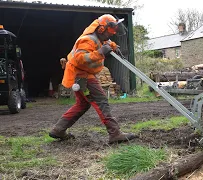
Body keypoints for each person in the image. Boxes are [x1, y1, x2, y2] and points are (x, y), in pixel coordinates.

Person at [49, 14, 138, 144]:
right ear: (101, 29)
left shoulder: (100, 38)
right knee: (101, 101)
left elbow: (107, 42)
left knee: (82, 105)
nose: (113, 33)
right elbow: (80, 58)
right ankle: (115, 133)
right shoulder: (87, 40)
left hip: (82, 75)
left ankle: (58, 130)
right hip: (82, 76)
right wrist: (100, 53)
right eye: (111, 30)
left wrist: (114, 47)